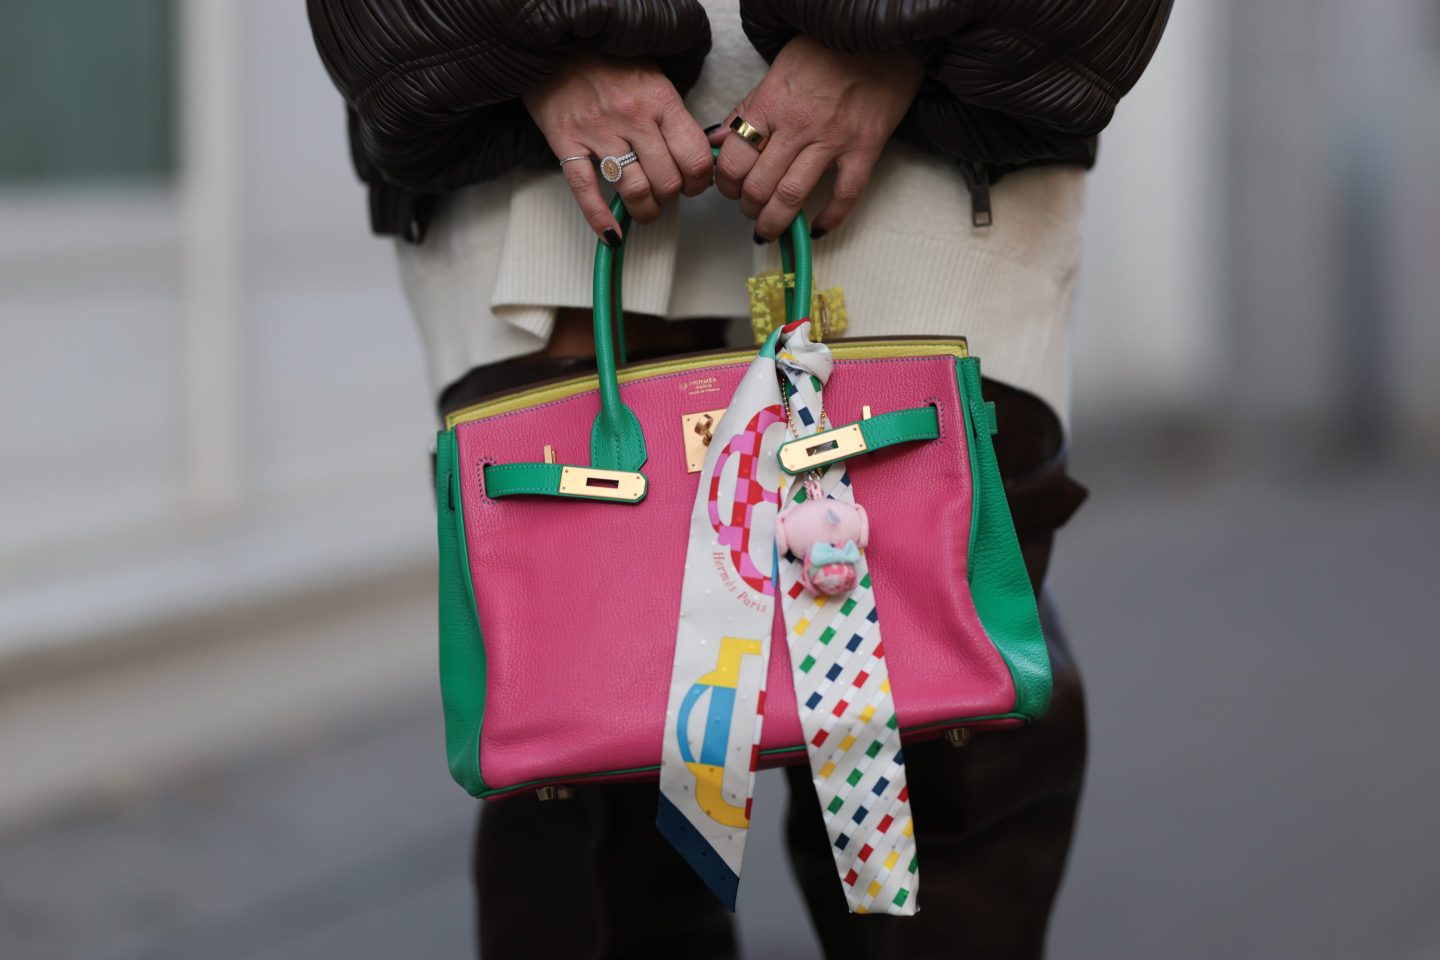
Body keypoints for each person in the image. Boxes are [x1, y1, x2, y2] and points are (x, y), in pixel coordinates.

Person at [308, 1, 1171, 956]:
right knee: (586, 800)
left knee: (937, 770)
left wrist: (893, 32)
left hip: (931, 170)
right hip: (535, 183)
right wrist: (530, 42)